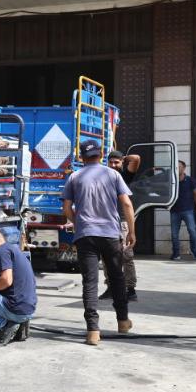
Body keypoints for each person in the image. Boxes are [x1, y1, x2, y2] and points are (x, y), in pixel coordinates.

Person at [62, 140, 135, 345]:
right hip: (110, 234)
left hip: (85, 235)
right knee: (116, 277)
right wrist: (132, 231)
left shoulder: (74, 177)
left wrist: (78, 223)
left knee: (90, 282)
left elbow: (67, 208)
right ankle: (122, 321)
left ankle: (93, 331)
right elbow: (127, 204)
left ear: (82, 157)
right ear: (101, 154)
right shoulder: (113, 174)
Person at [100, 150, 141, 302]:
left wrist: (124, 158)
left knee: (126, 256)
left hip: (122, 222)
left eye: (116, 162)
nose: (113, 165)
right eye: (110, 162)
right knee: (106, 257)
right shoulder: (103, 177)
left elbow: (136, 158)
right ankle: (110, 287)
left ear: (122, 163)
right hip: (105, 222)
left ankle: (130, 289)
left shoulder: (125, 176)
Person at [170, 160, 196, 260]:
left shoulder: (190, 180)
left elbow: (195, 193)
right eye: (176, 167)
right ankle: (176, 254)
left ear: (184, 168)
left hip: (188, 210)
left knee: (192, 231)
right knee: (174, 234)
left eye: (179, 166)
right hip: (174, 210)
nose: (177, 168)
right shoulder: (172, 180)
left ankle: (195, 252)